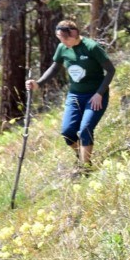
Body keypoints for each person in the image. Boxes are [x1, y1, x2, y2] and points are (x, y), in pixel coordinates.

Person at [26, 19, 115, 169]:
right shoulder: (62, 48)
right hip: (75, 96)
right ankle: (81, 155)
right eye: (60, 38)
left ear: (74, 34)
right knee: (67, 132)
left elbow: (111, 70)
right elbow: (54, 68)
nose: (63, 41)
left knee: (85, 128)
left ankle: (85, 168)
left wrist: (99, 93)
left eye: (65, 38)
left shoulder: (91, 47)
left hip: (95, 96)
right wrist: (38, 83)